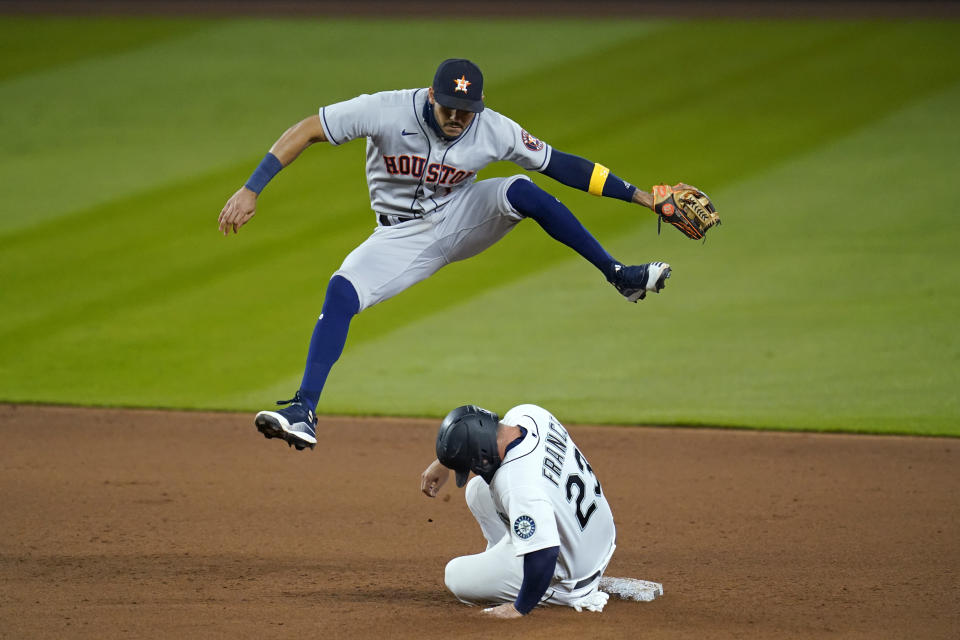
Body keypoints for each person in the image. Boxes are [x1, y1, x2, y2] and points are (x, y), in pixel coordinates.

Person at [218, 58, 689, 451]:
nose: (457, 118)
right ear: (430, 94)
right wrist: (251, 188)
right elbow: (307, 130)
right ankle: (304, 411)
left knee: (522, 189)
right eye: (450, 107)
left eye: (467, 110)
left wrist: (643, 197)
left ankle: (619, 274)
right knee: (341, 291)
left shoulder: (494, 129)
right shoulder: (383, 110)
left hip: (462, 216)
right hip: (397, 239)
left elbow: (562, 164)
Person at [420, 404, 616, 618]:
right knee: (478, 490)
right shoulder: (530, 414)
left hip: (569, 576)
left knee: (455, 575)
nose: (473, 469)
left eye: (471, 464)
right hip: (595, 537)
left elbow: (545, 554)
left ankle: (535, 586)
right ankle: (507, 561)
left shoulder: (518, 484)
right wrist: (447, 461)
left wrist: (519, 607)